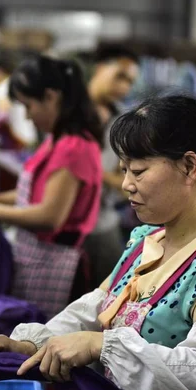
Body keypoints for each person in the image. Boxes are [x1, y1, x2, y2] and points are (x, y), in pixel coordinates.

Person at [0, 95, 196, 390]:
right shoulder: (146, 241)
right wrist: (31, 344)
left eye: (138, 171)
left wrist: (101, 345)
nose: (126, 185)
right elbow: (97, 308)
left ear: (189, 167)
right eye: (124, 170)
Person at [0, 55, 103, 319]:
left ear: (51, 97)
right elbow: (26, 196)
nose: (28, 117)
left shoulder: (74, 147)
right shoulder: (56, 139)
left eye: (28, 106)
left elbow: (49, 216)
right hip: (36, 260)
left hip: (54, 265)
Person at [84, 46, 140, 289]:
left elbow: (127, 184)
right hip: (58, 228)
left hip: (100, 223)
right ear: (100, 68)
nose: (124, 87)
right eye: (120, 76)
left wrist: (94, 171)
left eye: (130, 82)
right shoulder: (65, 111)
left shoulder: (123, 124)